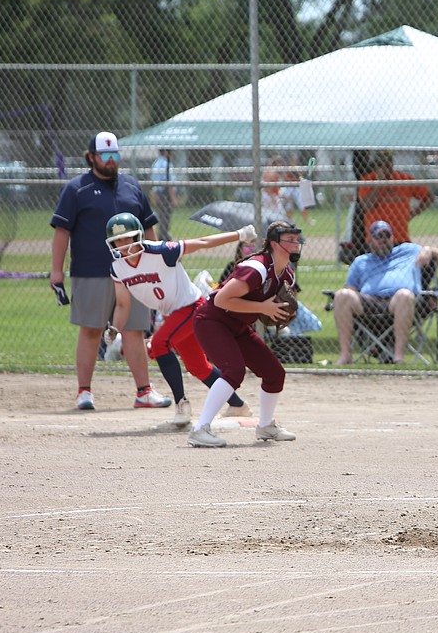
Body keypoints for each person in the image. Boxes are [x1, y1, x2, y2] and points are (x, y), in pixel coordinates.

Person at [49, 131, 171, 411]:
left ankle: (143, 391)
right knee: (91, 330)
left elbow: (149, 227)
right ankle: (84, 392)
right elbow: (61, 232)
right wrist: (56, 271)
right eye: (105, 155)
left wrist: (155, 262)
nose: (111, 160)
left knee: (134, 330)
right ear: (91, 157)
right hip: (91, 271)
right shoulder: (76, 188)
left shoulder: (131, 186)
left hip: (133, 272)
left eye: (115, 155)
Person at [105, 213, 258, 427]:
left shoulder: (160, 252)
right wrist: (114, 328)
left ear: (138, 235)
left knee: (159, 344)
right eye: (117, 241)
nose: (122, 245)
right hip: (173, 314)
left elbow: (203, 242)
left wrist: (239, 235)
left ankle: (181, 406)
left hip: (192, 306)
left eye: (127, 238)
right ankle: (238, 405)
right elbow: (122, 305)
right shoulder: (117, 267)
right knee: (198, 367)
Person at [187, 220, 302, 447]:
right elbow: (221, 300)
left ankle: (266, 426)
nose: (295, 244)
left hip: (238, 326)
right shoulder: (257, 267)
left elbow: (264, 305)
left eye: (297, 239)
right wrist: (263, 308)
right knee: (234, 370)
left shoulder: (287, 274)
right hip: (211, 321)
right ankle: (200, 429)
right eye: (289, 239)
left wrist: (275, 313)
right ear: (272, 243)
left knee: (274, 372)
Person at [331, 220, 438, 365]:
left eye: (387, 236)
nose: (383, 240)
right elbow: (351, 289)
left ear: (392, 238)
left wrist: (428, 250)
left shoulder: (408, 250)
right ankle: (346, 356)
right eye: (378, 237)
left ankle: (398, 357)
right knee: (342, 295)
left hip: (400, 303)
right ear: (370, 240)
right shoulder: (360, 261)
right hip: (369, 303)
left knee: (404, 295)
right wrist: (345, 297)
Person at [358, 151, 433, 246]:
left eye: (389, 162)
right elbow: (366, 206)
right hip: (377, 240)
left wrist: (413, 213)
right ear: (376, 165)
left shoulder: (403, 179)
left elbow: (428, 197)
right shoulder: (368, 180)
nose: (386, 166)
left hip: (401, 237)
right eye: (382, 164)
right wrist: (378, 183)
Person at [149, 148, 179, 241]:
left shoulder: (156, 163)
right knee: (165, 215)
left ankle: (162, 234)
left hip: (158, 192)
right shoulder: (166, 164)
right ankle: (164, 235)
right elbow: (169, 182)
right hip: (165, 193)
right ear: (166, 152)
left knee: (162, 215)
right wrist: (173, 197)